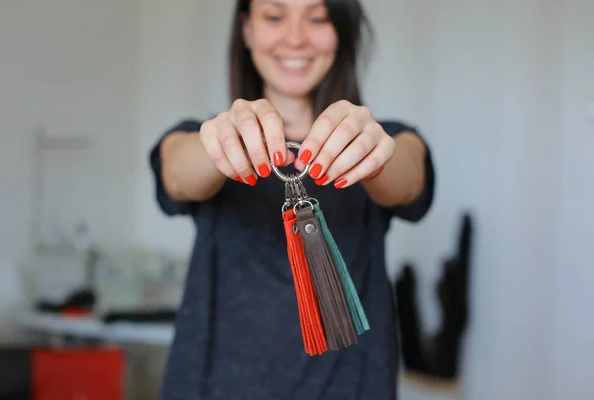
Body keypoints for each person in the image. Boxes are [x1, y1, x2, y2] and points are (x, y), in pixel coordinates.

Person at [149, 0, 435, 399]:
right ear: (247, 30)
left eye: (317, 17)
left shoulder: (382, 139)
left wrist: (373, 157)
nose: (296, 38)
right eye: (274, 16)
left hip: (354, 386)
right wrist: (220, 144)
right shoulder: (202, 137)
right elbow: (177, 174)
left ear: (342, 31)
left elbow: (409, 178)